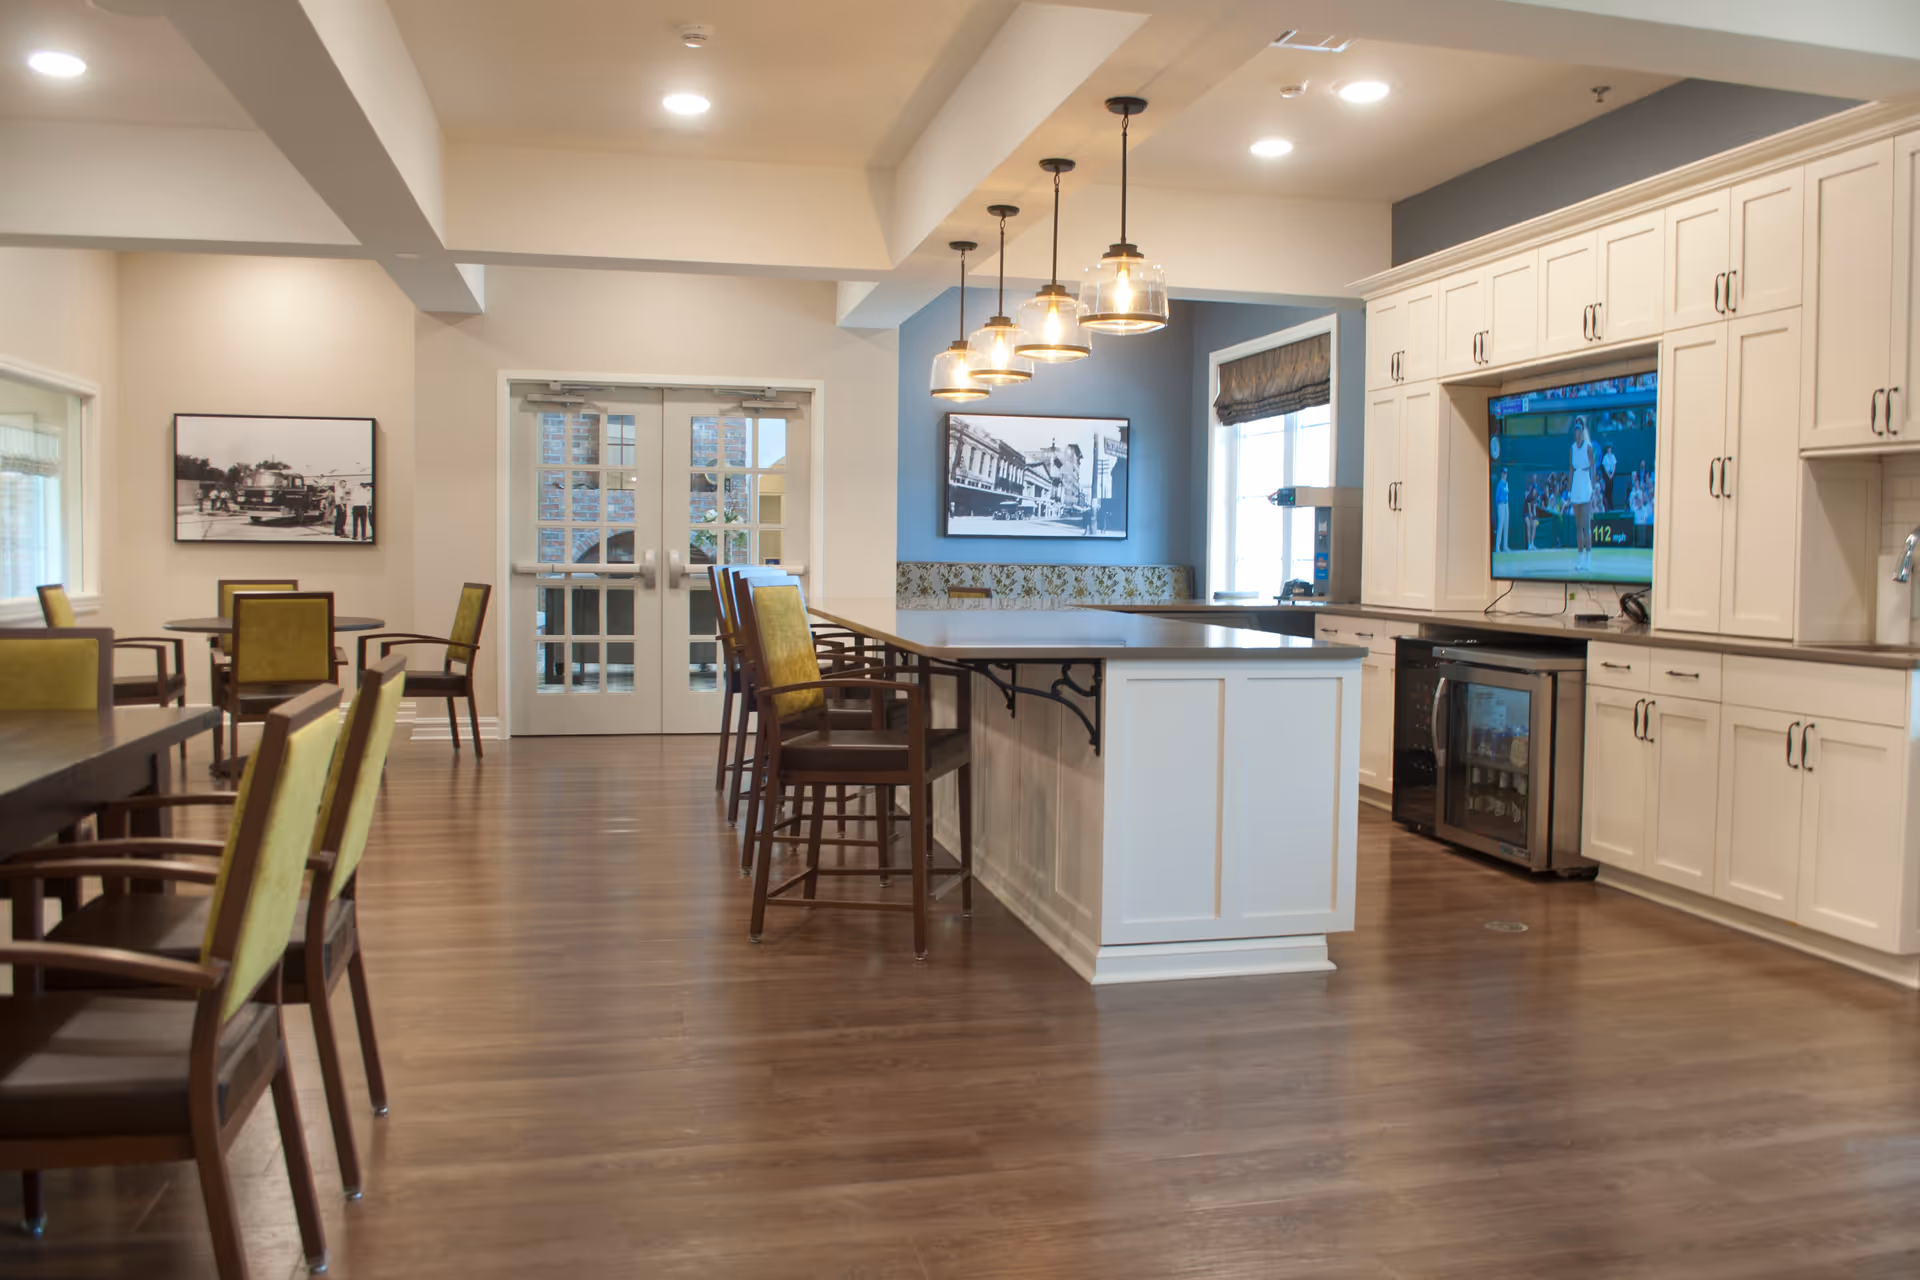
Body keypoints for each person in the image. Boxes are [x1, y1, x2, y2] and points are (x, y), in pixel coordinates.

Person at [1568, 417, 1596, 571]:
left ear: (1582, 432)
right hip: (1576, 487)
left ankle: (1588, 560)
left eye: (1578, 431)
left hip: (1585, 484)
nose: (1576, 433)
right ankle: (1579, 559)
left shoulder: (1588, 447)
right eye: (1575, 431)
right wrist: (1569, 490)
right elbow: (1571, 469)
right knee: (1578, 526)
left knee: (1586, 525)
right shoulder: (1572, 448)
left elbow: (1593, 468)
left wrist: (1593, 486)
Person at [1494, 468, 1511, 553]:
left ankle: (1505, 546)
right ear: (1501, 474)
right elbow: (1497, 497)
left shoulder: (1506, 484)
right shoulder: (1500, 484)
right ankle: (1497, 547)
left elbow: (1507, 495)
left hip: (1506, 505)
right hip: (1501, 505)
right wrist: (1499, 506)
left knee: (1506, 525)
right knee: (1500, 525)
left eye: (1506, 473)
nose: (1505, 474)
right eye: (1504, 473)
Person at [1523, 480, 1541, 551]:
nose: (1535, 491)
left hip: (1530, 513)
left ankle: (1532, 543)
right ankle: (1528, 545)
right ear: (1532, 489)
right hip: (1526, 513)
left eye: (1536, 490)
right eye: (1534, 489)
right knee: (1528, 526)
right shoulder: (1528, 497)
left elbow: (1534, 510)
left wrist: (1535, 518)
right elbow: (1529, 511)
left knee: (1534, 526)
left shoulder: (1535, 498)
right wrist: (1532, 517)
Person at [1601, 444, 1618, 511]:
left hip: (1612, 475)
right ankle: (1606, 506)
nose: (1609, 450)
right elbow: (1604, 467)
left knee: (1611, 491)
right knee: (1606, 491)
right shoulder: (1605, 457)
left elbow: (1614, 466)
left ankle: (1611, 506)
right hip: (1606, 475)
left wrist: (1612, 475)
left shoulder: (1613, 456)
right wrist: (1608, 475)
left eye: (1610, 448)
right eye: (1608, 448)